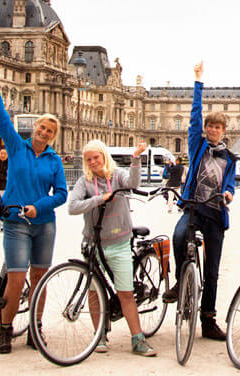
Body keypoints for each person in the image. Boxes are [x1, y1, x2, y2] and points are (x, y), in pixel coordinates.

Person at [0, 57, 68, 354]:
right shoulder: (16, 146)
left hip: (43, 225)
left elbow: (61, 194)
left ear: (53, 136)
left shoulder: (54, 160)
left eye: (49, 131)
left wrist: (40, 206)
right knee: (17, 280)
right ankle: (5, 330)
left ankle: (35, 327)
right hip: (16, 223)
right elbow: (2, 118)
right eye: (42, 128)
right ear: (35, 128)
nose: (44, 132)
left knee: (39, 280)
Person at [161, 61, 237, 341]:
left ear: (223, 130)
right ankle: (181, 281)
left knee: (213, 271)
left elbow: (231, 183)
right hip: (193, 209)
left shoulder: (230, 158)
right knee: (179, 235)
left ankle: (208, 320)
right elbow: (194, 116)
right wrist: (198, 82)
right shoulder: (197, 144)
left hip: (216, 212)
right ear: (205, 129)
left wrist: (229, 193)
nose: (214, 130)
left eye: (218, 127)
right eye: (210, 126)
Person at [68, 139, 156, 356]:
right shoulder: (83, 182)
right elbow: (72, 207)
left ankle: (137, 338)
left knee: (125, 292)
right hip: (93, 243)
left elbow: (134, 184)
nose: (93, 162)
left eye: (96, 157)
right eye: (89, 159)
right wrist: (98, 199)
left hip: (119, 243)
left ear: (104, 156)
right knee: (94, 292)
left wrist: (136, 158)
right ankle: (100, 335)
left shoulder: (117, 176)